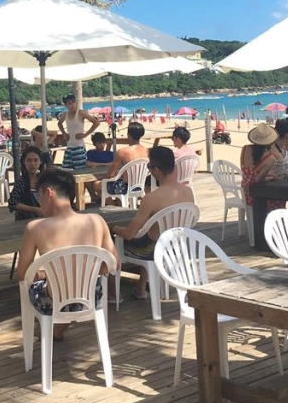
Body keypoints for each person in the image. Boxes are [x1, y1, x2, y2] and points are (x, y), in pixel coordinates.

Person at [16, 168, 118, 340]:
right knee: (73, 288)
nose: (39, 202)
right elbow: (114, 264)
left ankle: (54, 330)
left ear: (48, 193)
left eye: (39, 196)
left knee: (49, 288)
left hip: (54, 299)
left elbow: (23, 274)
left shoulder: (35, 228)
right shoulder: (97, 221)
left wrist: (48, 274)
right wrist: (84, 273)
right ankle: (58, 330)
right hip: (90, 294)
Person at [110, 146, 194, 299]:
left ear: (156, 170)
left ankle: (113, 293)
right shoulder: (188, 192)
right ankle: (141, 287)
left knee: (112, 242)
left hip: (152, 250)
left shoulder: (151, 199)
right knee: (149, 236)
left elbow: (129, 234)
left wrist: (115, 228)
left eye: (149, 166)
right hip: (177, 245)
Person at [104, 121, 149, 200]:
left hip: (125, 187)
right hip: (140, 186)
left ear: (128, 135)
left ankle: (112, 205)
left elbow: (110, 174)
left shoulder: (122, 152)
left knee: (97, 184)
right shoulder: (147, 151)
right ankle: (118, 204)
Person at [240, 123, 279, 211]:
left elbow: (249, 174)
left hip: (245, 191)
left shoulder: (245, 149)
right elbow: (258, 180)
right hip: (255, 194)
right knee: (279, 199)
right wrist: (270, 177)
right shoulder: (270, 158)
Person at [57, 94, 100, 170]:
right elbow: (59, 123)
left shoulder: (81, 113)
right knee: (66, 170)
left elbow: (96, 122)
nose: (72, 105)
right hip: (69, 147)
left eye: (73, 102)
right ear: (66, 105)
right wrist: (64, 133)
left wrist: (86, 134)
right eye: (69, 103)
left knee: (80, 170)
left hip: (79, 147)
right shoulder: (65, 114)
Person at [9, 146, 47, 220]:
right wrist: (35, 210)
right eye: (29, 160)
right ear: (24, 162)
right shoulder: (21, 182)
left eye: (36, 160)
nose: (32, 163)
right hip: (25, 219)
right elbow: (13, 203)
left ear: (40, 162)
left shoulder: (45, 180)